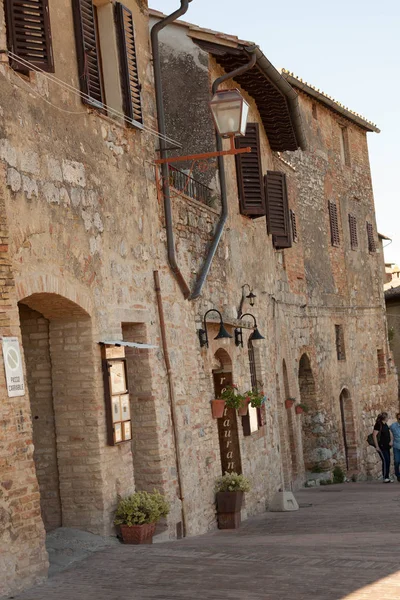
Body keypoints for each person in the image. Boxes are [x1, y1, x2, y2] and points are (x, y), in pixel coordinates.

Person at [373, 412, 393, 483]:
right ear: (384, 418)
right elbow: (374, 435)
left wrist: (391, 441)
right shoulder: (378, 425)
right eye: (387, 417)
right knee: (385, 460)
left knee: (388, 461)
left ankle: (387, 476)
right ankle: (385, 477)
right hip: (381, 446)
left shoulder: (385, 424)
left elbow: (389, 433)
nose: (388, 418)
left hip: (387, 446)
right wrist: (377, 446)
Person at [390, 412, 400, 482]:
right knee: (396, 461)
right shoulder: (393, 426)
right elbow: (388, 432)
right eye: (399, 418)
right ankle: (397, 474)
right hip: (396, 446)